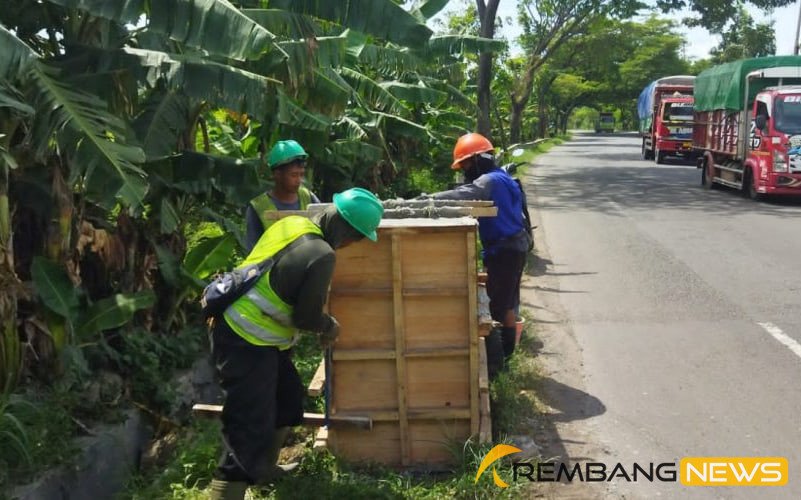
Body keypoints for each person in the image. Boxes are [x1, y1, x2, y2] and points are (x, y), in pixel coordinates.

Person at [209, 188, 384, 500]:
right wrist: (329, 326)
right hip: (245, 339)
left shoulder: (291, 224)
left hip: (258, 336)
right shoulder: (322, 255)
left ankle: (263, 469)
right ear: (343, 227)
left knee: (288, 401)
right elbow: (305, 318)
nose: (349, 245)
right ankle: (226, 491)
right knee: (248, 423)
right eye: (355, 238)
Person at [419, 133, 530, 367]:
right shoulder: (505, 177)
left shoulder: (488, 181)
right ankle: (507, 358)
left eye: (467, 164)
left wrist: (428, 199)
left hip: (504, 251)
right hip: (516, 246)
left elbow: (463, 194)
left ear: (478, 160)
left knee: (495, 309)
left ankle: (497, 367)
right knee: (507, 304)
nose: (465, 170)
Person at [246, 140, 321, 252]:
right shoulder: (258, 207)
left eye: (301, 174)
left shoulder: (308, 197)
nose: (299, 180)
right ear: (277, 175)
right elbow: (253, 250)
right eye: (294, 175)